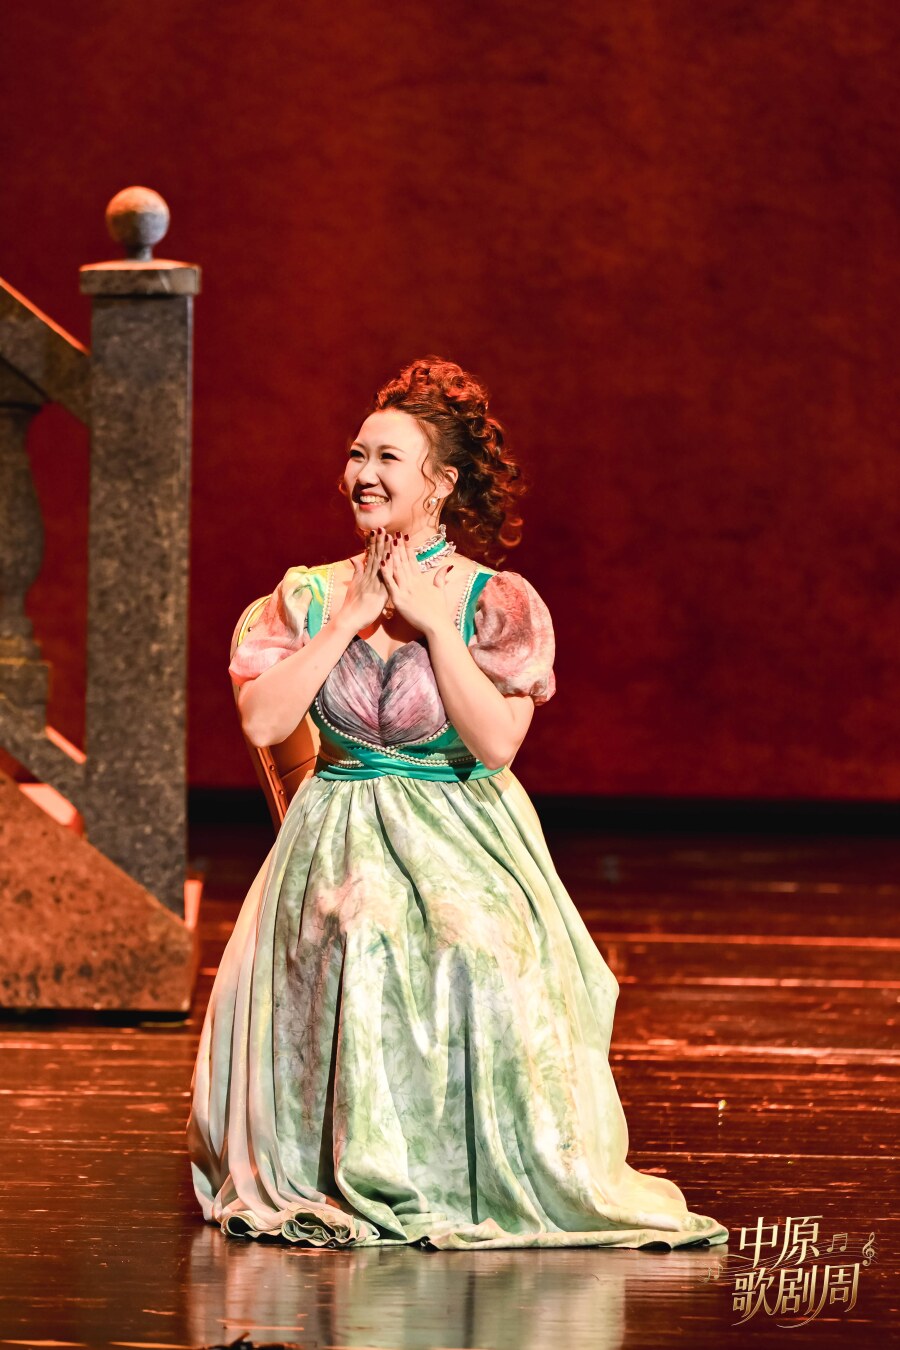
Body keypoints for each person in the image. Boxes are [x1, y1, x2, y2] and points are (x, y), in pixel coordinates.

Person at [187, 357, 729, 1252]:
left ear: (438, 484)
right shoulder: (308, 594)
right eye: (357, 454)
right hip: (340, 826)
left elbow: (497, 744)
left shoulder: (492, 601)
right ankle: (354, 1166)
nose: (363, 474)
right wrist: (347, 618)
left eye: (387, 459)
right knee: (363, 926)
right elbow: (263, 721)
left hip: (464, 829)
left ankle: (466, 1169)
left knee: (479, 944)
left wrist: (436, 626)